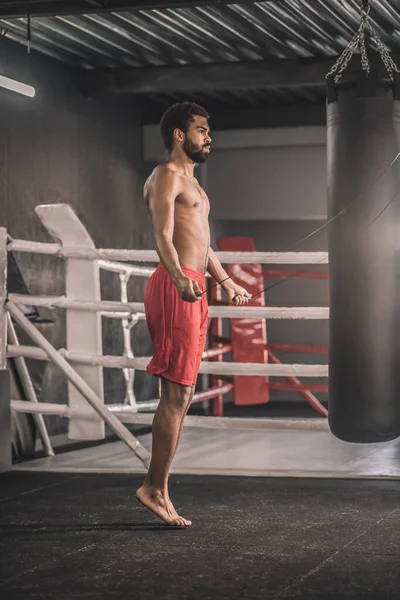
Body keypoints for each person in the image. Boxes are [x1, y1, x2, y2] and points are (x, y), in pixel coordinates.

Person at [136, 102, 250, 527]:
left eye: (209, 130)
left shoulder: (196, 187)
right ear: (180, 135)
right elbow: (162, 235)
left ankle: (157, 487)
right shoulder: (166, 176)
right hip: (176, 284)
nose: (208, 136)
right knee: (176, 395)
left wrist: (226, 282)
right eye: (201, 130)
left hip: (194, 284)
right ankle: (154, 488)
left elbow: (202, 245)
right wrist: (179, 278)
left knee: (182, 396)